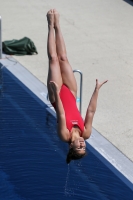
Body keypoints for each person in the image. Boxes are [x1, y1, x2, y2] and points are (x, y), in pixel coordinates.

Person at [46, 9, 108, 164]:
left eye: (79, 147)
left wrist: (55, 91)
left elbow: (61, 113)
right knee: (64, 58)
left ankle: (50, 26)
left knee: (54, 59)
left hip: (57, 96)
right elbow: (91, 111)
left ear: (71, 146)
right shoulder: (86, 133)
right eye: (84, 147)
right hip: (71, 93)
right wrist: (97, 89)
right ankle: (58, 25)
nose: (82, 144)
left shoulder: (64, 135)